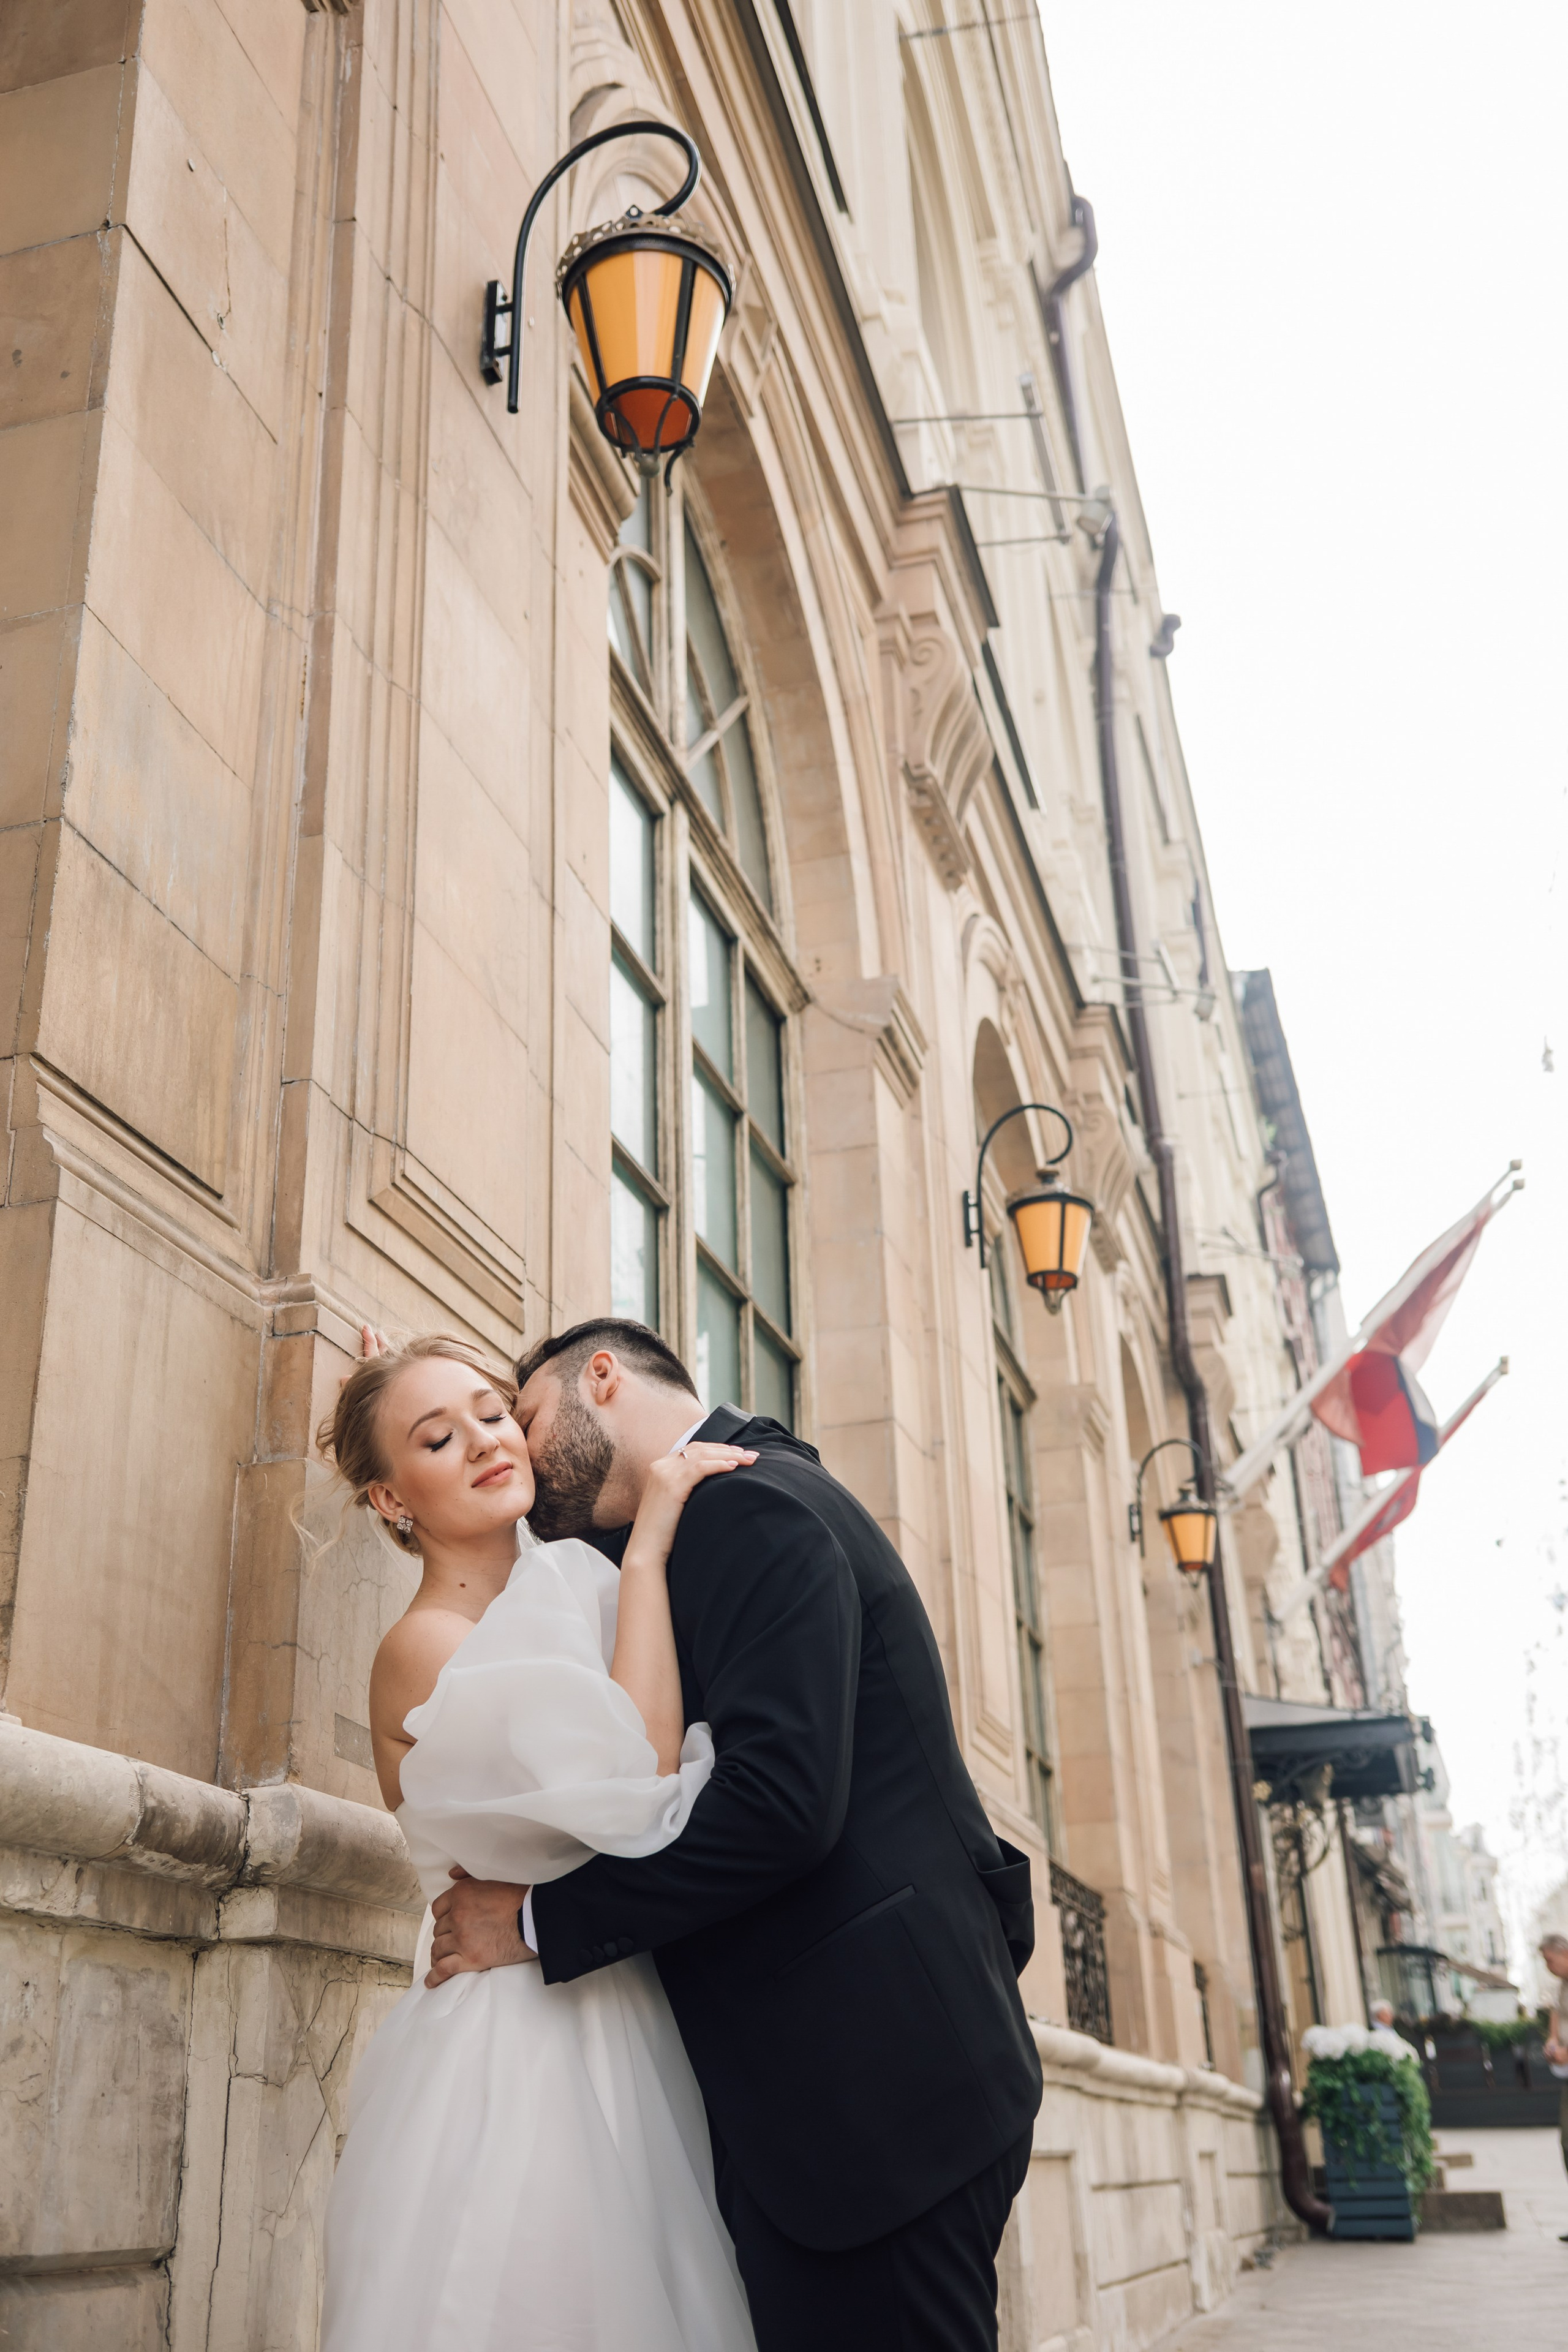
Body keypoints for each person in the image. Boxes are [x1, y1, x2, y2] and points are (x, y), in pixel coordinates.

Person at [428, 1317, 1044, 2352]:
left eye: (520, 1417)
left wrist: (535, 1920)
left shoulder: (750, 1508)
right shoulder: (704, 1518)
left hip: (874, 2100)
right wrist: (404, 1418)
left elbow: (779, 1806)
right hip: (850, 2098)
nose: (516, 1451)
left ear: (605, 1379)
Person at [315, 1329, 761, 2351]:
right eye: (437, 1440)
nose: (483, 1440)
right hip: (517, 2053)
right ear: (390, 1500)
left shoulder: (561, 1580)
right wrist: (649, 1541)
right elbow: (640, 1780)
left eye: (490, 1409)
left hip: (620, 2015)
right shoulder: (429, 1647)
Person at [1541, 1932, 1568, 2236]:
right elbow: (1556, 2017)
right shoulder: (1560, 1986)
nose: (1548, 1966)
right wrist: (1552, 2043)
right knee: (1567, 2144)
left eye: (1550, 1960)